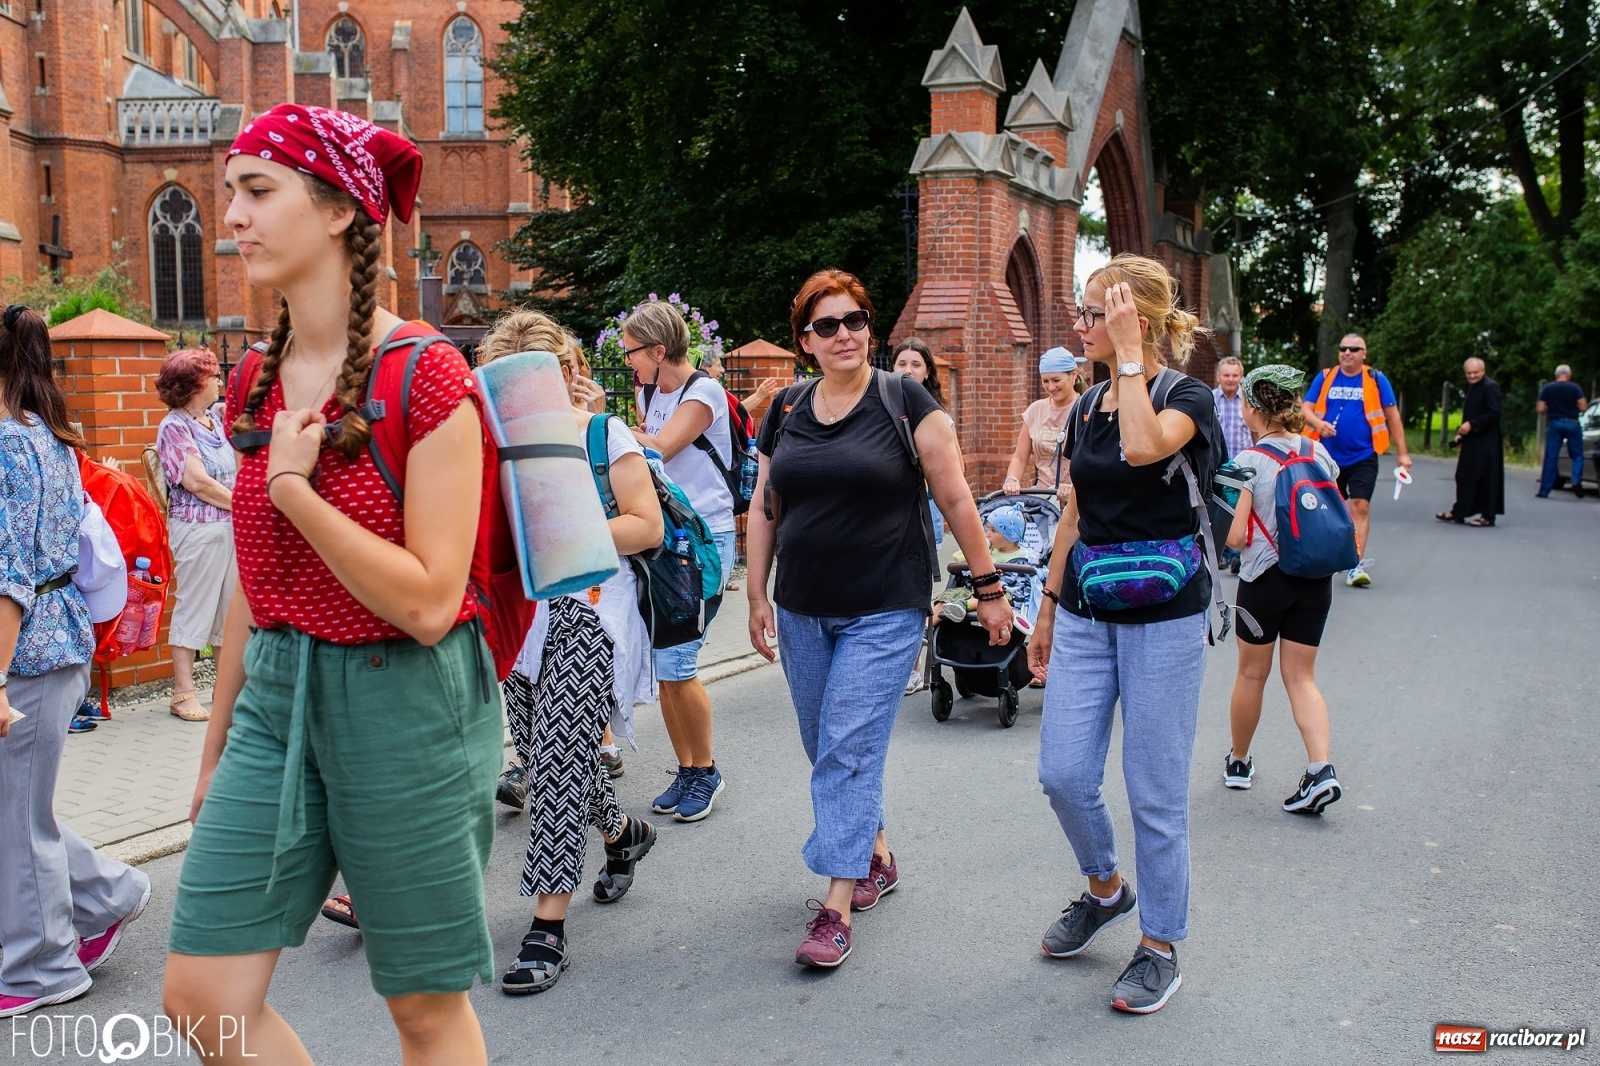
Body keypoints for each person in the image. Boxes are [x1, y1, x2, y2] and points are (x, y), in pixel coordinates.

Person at [162, 105, 502, 1065]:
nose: (233, 214)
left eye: (258, 191)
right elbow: (254, 576)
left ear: (340, 210)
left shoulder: (427, 376)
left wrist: (293, 490)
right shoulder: (253, 381)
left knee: (423, 1010)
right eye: (230, 192)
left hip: (408, 699)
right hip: (275, 693)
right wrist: (215, 748)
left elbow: (430, 603)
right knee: (203, 994)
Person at [746, 269, 1012, 970]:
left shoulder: (905, 399)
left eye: (855, 320)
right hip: (802, 608)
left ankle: (835, 907)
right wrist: (755, 594)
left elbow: (956, 498)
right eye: (827, 325)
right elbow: (765, 505)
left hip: (885, 606)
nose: (845, 334)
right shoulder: (787, 407)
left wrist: (988, 587)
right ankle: (877, 854)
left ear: (870, 327)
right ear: (805, 341)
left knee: (846, 746)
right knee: (827, 744)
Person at [1028, 254, 1218, 1015]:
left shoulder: (1186, 397)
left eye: (1093, 313)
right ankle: (1107, 888)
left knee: (1154, 790)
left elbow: (1142, 448)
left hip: (1165, 616)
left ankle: (1160, 945)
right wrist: (1046, 606)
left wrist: (1134, 357)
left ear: (1133, 319)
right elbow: (1076, 511)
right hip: (1086, 609)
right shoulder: (1084, 407)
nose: (1080, 325)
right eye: (1082, 312)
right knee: (1063, 773)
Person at [479, 311, 662, 997]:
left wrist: (560, 523)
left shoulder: (601, 433)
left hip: (592, 607)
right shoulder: (490, 440)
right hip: (520, 615)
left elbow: (646, 525)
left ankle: (546, 927)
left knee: (558, 764)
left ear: (565, 371)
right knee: (545, 753)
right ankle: (621, 832)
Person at [0, 304, 153, 1019]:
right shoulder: (43, 434)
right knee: (18, 806)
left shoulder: (9, 441)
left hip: (28, 653)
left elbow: (8, 575)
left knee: (16, 816)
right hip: (53, 641)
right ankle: (105, 895)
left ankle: (41, 968)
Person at [626, 300, 736, 823]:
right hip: (669, 537)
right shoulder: (648, 392)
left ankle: (707, 770)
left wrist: (600, 422)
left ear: (657, 350)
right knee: (664, 661)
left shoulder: (703, 391)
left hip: (706, 537)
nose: (627, 361)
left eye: (631, 352)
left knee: (678, 661)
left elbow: (659, 449)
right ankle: (689, 768)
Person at [1221, 365, 1343, 814]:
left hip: (1264, 579)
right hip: (1315, 579)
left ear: (1253, 408)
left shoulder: (1247, 462)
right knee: (1302, 677)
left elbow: (1236, 538)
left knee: (1252, 674)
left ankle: (1239, 762)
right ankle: (1320, 769)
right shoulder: (1318, 452)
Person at [154, 347, 237, 723]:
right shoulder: (174, 427)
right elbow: (198, 482)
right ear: (193, 384)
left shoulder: (214, 420)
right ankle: (183, 693)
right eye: (213, 375)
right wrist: (244, 506)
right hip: (198, 530)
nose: (220, 381)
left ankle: (226, 689)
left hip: (228, 527)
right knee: (195, 606)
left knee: (228, 610)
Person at [1301, 332, 1412, 587]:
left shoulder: (1375, 379)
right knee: (1329, 510)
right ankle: (1333, 557)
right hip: (1327, 457)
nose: (1347, 353)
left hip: (1363, 456)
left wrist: (1403, 453)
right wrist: (1319, 423)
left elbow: (1392, 416)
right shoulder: (1326, 376)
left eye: (1353, 349)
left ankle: (1355, 564)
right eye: (1343, 348)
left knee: (1360, 506)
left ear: (1364, 354)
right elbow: (1306, 408)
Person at [1004, 346, 1084, 503]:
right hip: (1043, 497)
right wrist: (1012, 479)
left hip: (1076, 498)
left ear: (1073, 375)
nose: (1051, 387)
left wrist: (1074, 487)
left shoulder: (1086, 408)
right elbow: (1020, 457)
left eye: (1056, 380)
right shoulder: (1036, 410)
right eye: (1045, 381)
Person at [935, 504, 1038, 624]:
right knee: (949, 595)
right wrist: (970, 553)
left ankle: (963, 605)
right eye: (988, 529)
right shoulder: (987, 552)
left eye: (993, 530)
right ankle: (927, 626)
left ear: (1010, 536)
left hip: (1004, 596)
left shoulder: (1026, 557)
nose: (987, 534)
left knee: (999, 596)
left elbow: (1029, 584)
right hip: (976, 589)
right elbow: (965, 570)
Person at [1438, 358, 1504, 527]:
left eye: (1476, 373)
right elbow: (1471, 412)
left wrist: (1472, 425)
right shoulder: (1473, 388)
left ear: (1483, 371)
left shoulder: (1490, 387)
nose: (1472, 376)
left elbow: (1494, 413)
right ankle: (1460, 511)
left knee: (1486, 477)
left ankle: (1488, 515)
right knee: (1464, 476)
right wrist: (1462, 434)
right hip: (1472, 440)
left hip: (1487, 441)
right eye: (1469, 373)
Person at [1211, 356, 1249, 575]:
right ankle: (1222, 555)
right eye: (1226, 375)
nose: (1231, 379)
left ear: (1241, 377)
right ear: (1218, 377)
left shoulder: (1247, 401)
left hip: (1243, 465)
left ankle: (1236, 556)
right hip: (1219, 464)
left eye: (1235, 375)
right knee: (1220, 508)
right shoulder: (1209, 399)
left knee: (1241, 510)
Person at [1537, 364, 1589, 498]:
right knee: (1577, 454)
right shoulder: (1575, 387)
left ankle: (1544, 490)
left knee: (1551, 456)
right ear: (1569, 375)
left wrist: (1550, 408)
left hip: (1555, 423)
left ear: (1556, 375)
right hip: (1572, 422)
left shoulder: (1548, 388)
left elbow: (1540, 409)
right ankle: (1576, 480)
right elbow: (1583, 407)